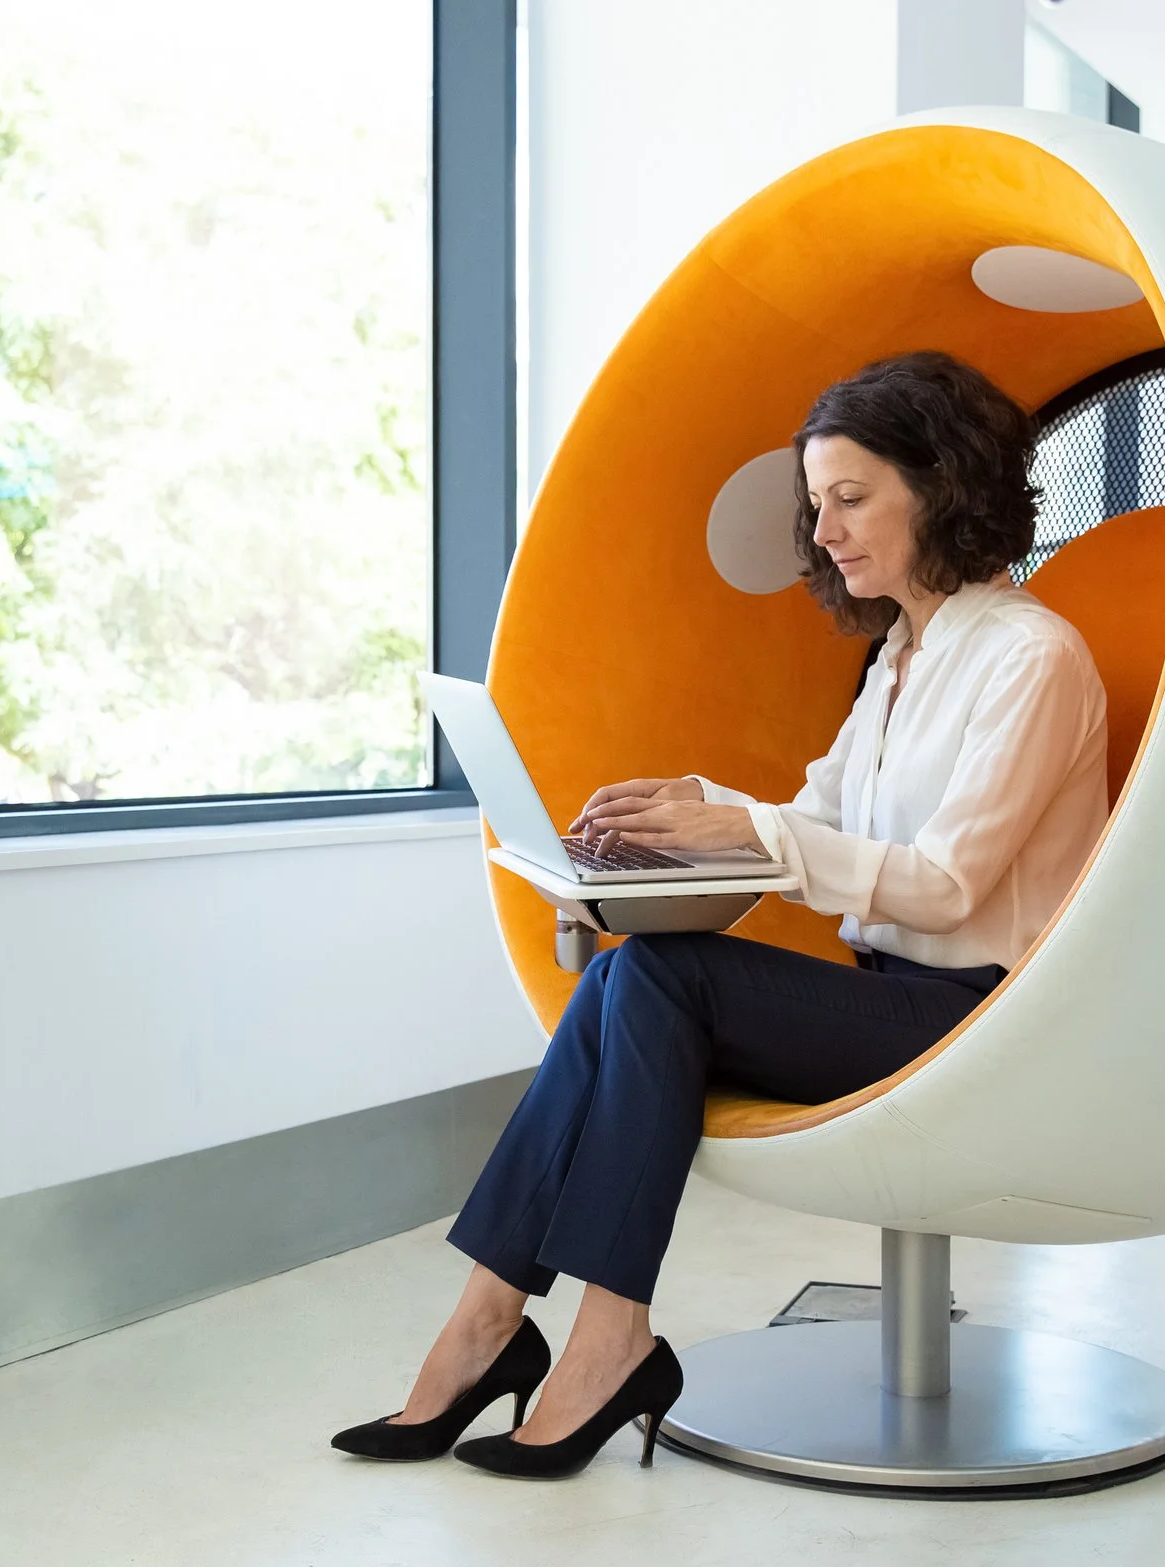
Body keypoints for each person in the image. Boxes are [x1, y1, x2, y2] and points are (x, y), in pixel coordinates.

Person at [331, 350, 1110, 1478]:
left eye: (852, 497)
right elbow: (821, 813)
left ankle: (578, 1338)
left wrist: (751, 837)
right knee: (623, 968)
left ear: (938, 484)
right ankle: (502, 1324)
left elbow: (947, 885)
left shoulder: (1032, 658)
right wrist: (704, 812)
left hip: (980, 1015)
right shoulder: (902, 652)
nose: (827, 529)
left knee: (651, 976)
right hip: (895, 996)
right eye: (816, 505)